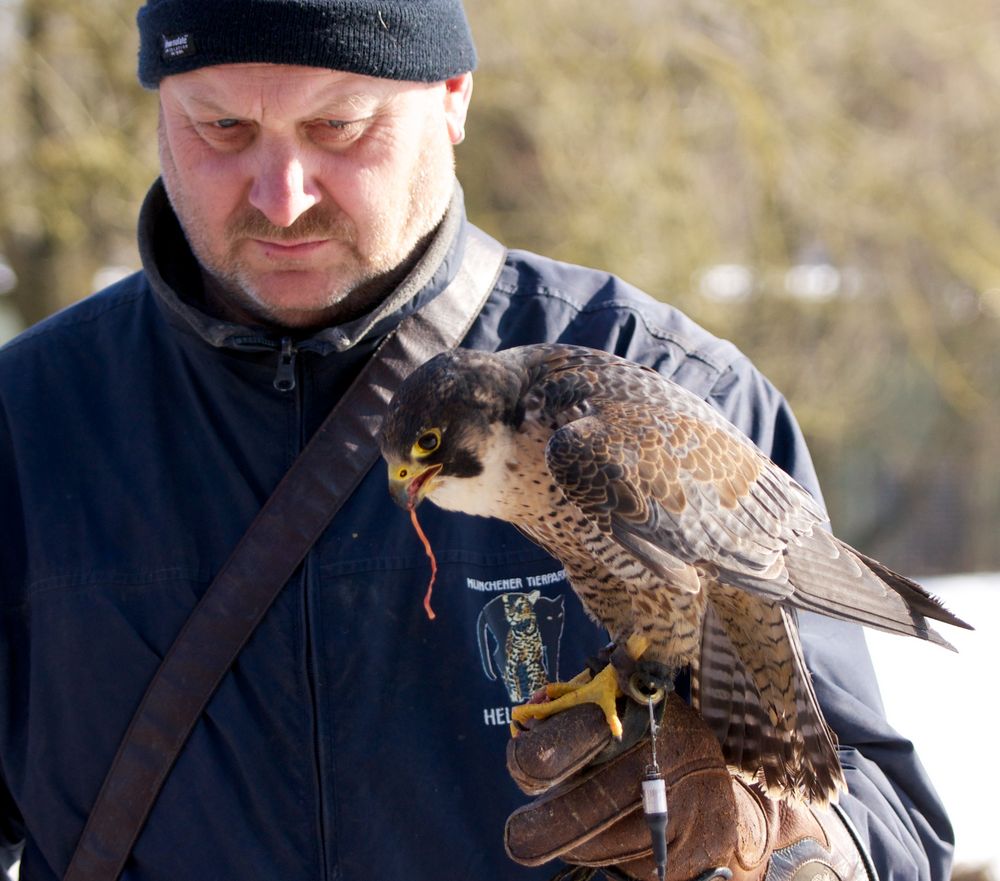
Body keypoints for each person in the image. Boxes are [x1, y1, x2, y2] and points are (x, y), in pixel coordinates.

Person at [0, 1, 955, 880]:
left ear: (453, 97)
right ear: (159, 112)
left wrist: (779, 850)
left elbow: (885, 823)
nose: (282, 194)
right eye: (223, 128)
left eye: (338, 126)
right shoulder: (27, 423)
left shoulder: (668, 385)